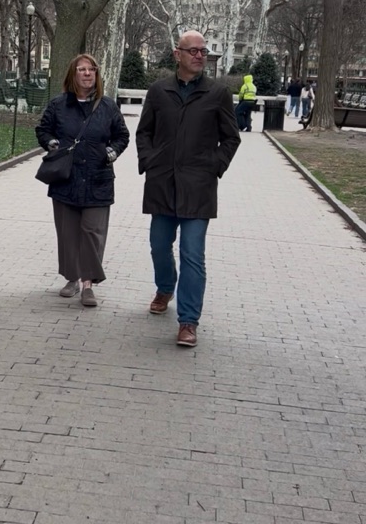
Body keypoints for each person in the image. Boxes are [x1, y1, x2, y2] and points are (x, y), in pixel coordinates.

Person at [136, 30, 240, 347]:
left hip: (198, 186)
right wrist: (150, 161)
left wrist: (214, 166)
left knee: (192, 254)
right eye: (192, 50)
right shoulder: (158, 91)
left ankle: (188, 321)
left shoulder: (217, 93)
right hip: (162, 183)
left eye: (203, 51)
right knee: (159, 246)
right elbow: (144, 132)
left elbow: (231, 137)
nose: (199, 56)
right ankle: (165, 287)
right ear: (177, 54)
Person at [35, 53, 130, 307]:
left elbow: (122, 136)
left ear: (96, 74)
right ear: (73, 74)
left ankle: (88, 283)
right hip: (66, 178)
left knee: (92, 233)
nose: (87, 73)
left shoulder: (108, 106)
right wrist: (51, 143)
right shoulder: (58, 105)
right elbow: (43, 129)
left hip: (98, 179)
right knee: (68, 233)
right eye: (81, 69)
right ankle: (72, 278)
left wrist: (111, 152)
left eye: (91, 69)